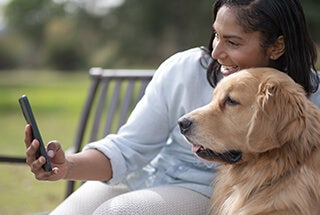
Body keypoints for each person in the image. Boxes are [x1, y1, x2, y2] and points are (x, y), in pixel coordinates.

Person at [25, 0, 320, 214]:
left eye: (233, 41)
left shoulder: (302, 98)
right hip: (143, 175)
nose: (217, 52)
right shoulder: (185, 68)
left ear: (276, 46)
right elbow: (129, 147)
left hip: (203, 191)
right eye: (216, 35)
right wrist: (66, 167)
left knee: (117, 213)